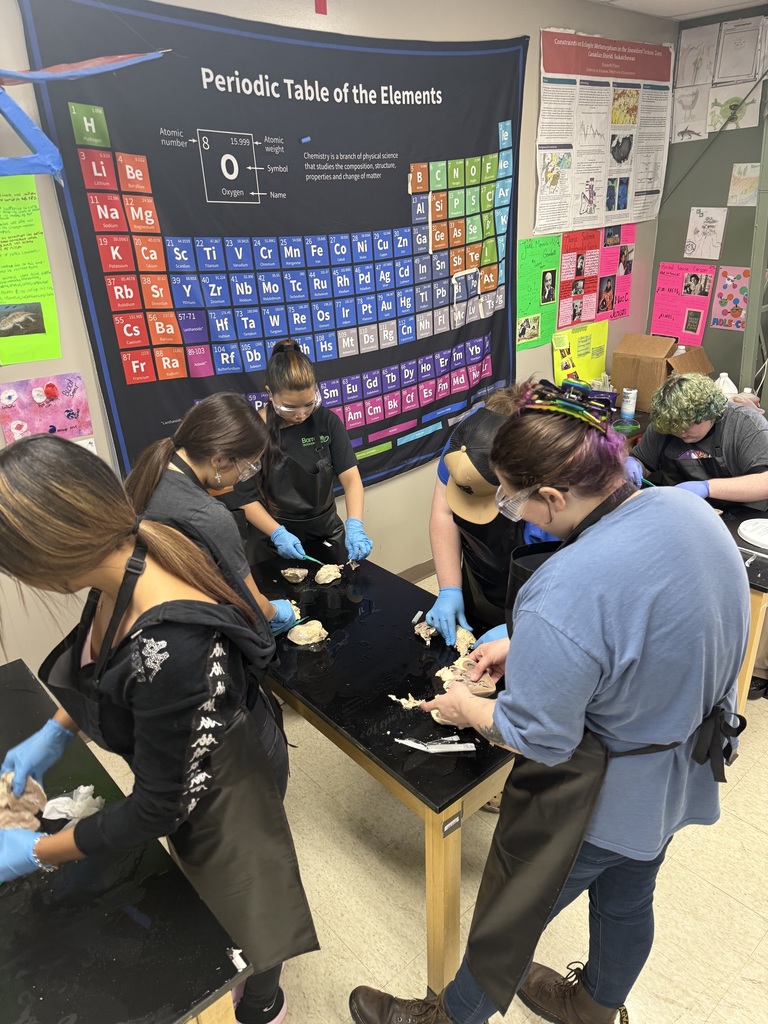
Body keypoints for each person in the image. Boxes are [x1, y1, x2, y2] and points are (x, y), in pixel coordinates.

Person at [348, 377, 749, 1024]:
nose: (511, 510)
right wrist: (536, 646)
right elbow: (648, 634)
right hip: (686, 761)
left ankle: (447, 1018)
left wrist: (465, 708)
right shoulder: (686, 513)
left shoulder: (563, 588)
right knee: (626, 896)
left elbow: (537, 736)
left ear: (555, 496)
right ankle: (593, 1005)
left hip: (604, 789)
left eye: (514, 500)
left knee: (514, 915)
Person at [0, 435, 318, 1024]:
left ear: (48, 563)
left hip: (230, 771)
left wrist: (40, 851)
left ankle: (265, 998)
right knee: (201, 881)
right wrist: (56, 730)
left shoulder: (173, 646)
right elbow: (105, 665)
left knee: (252, 895)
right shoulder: (120, 555)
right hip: (190, 744)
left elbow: (156, 809)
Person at [630, 372, 768, 699]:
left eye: (687, 428)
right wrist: (631, 466)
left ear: (711, 414)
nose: (679, 433)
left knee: (749, 585)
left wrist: (707, 487)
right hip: (686, 511)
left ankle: (755, 667)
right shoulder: (667, 426)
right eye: (672, 428)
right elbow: (642, 461)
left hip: (748, 516)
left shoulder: (745, 427)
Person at [125, 392, 297, 636]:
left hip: (146, 619)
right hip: (185, 634)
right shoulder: (207, 515)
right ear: (218, 460)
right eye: (247, 467)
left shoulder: (150, 470)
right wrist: (275, 612)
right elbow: (251, 604)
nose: (243, 477)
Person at [426, 391, 556, 647]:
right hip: (480, 580)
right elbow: (443, 512)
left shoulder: (552, 498)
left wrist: (521, 630)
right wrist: (449, 588)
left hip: (542, 599)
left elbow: (572, 589)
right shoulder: (468, 442)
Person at [230, 340, 373, 564]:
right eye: (289, 407)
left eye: (309, 404)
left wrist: (355, 524)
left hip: (325, 532)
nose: (301, 415)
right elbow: (245, 497)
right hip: (272, 540)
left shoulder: (327, 422)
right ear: (269, 393)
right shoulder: (253, 432)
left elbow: (351, 478)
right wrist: (278, 533)